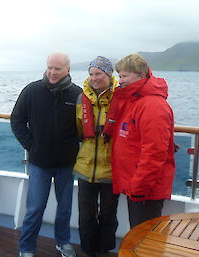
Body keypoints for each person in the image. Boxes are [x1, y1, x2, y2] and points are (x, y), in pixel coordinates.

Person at [10, 53, 82, 257]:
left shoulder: (77, 94)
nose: (52, 72)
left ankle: (62, 242)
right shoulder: (32, 91)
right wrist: (31, 145)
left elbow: (82, 128)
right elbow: (17, 120)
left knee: (65, 208)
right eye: (49, 67)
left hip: (66, 163)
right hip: (39, 162)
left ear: (67, 70)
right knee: (35, 208)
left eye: (57, 68)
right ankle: (26, 247)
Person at [104, 53, 176, 229]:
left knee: (142, 238)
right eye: (119, 76)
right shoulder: (134, 100)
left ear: (141, 75)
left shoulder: (152, 106)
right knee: (137, 234)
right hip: (135, 184)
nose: (120, 81)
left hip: (145, 190)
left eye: (126, 76)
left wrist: (139, 188)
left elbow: (154, 153)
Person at [73, 56, 119, 257]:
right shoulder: (80, 98)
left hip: (111, 169)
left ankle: (104, 250)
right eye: (91, 74)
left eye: (98, 74)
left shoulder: (121, 98)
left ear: (109, 75)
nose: (93, 78)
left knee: (109, 215)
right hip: (85, 167)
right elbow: (77, 129)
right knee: (86, 216)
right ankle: (88, 251)